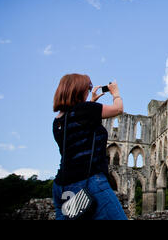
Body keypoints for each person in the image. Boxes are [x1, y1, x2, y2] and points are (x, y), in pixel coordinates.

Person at [51, 73, 127, 220]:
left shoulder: (58, 121)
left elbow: (82, 129)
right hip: (89, 181)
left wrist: (92, 101)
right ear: (78, 90)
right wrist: (115, 93)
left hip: (62, 186)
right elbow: (118, 109)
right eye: (88, 87)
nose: (89, 90)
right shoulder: (86, 110)